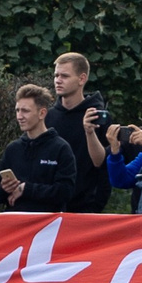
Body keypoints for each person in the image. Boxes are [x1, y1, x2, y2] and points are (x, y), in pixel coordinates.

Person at [48, 52, 113, 213]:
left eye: (64, 76)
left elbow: (102, 163)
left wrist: (97, 204)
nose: (58, 80)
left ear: (81, 79)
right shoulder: (48, 117)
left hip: (87, 208)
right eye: (56, 75)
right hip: (50, 205)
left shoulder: (97, 117)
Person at [0, 85, 79, 212]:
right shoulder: (12, 149)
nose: (19, 116)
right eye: (17, 110)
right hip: (15, 225)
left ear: (42, 113)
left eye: (25, 111)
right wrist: (5, 189)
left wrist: (27, 189)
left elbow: (65, 192)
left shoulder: (61, 148)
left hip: (48, 226)